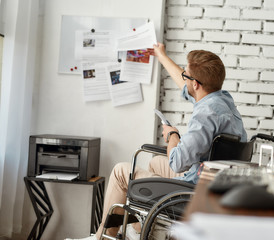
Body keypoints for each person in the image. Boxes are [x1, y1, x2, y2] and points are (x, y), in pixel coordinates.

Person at [65, 43, 247, 240]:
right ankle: (137, 231)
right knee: (154, 163)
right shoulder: (222, 101)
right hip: (213, 182)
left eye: (186, 75)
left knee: (120, 172)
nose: (183, 78)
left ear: (196, 84)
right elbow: (185, 83)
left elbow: (177, 163)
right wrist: (161, 56)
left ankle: (102, 236)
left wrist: (172, 135)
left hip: (193, 191)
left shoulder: (205, 114)